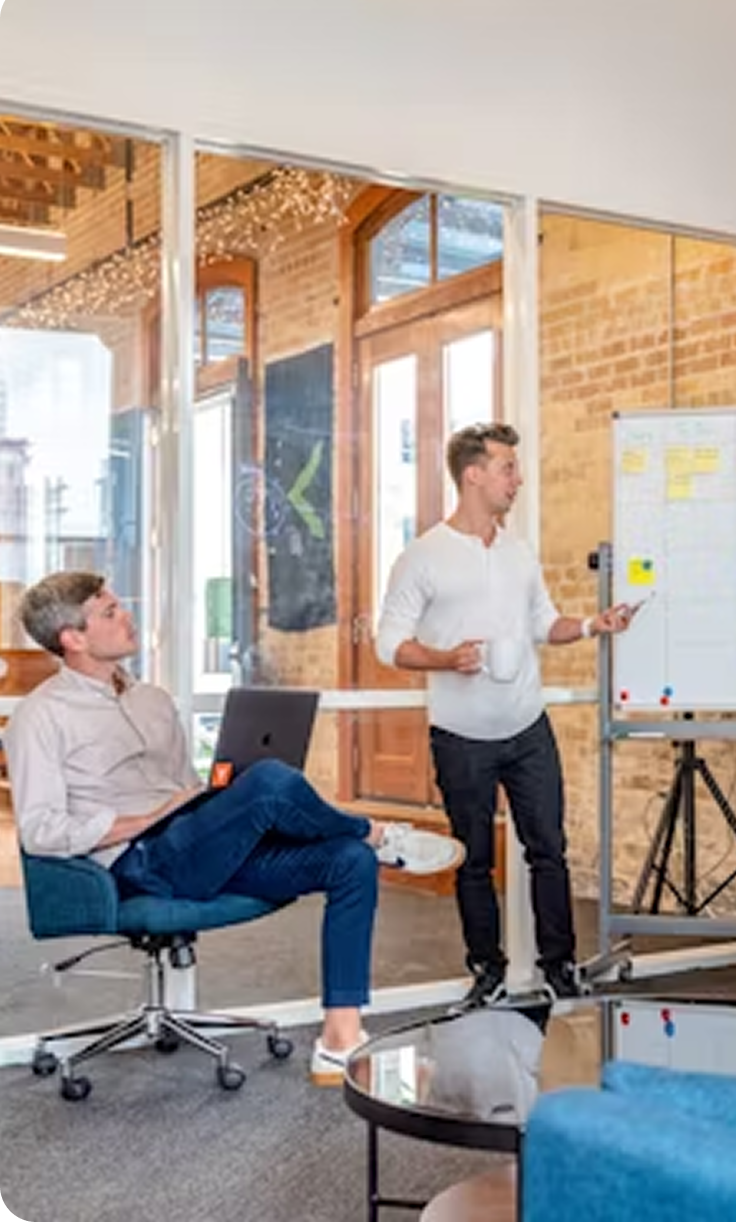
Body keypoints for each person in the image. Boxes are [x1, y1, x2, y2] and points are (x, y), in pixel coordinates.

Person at [6, 571, 465, 1085]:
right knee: (269, 782)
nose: (126, 616)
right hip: (140, 862)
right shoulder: (40, 717)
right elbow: (41, 830)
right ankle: (376, 834)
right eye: (109, 612)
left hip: (193, 844)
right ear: (72, 638)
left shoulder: (151, 700)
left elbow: (182, 786)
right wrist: (147, 819)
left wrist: (214, 800)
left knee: (347, 860)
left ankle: (339, 1040)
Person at [375, 421, 633, 1009]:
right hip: (461, 737)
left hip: (527, 728)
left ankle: (558, 967)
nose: (517, 479)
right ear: (474, 474)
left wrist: (592, 625)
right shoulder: (424, 556)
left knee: (549, 850)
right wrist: (446, 658)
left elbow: (544, 623)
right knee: (473, 858)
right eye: (507, 468)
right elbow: (389, 644)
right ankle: (487, 972)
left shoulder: (518, 553)